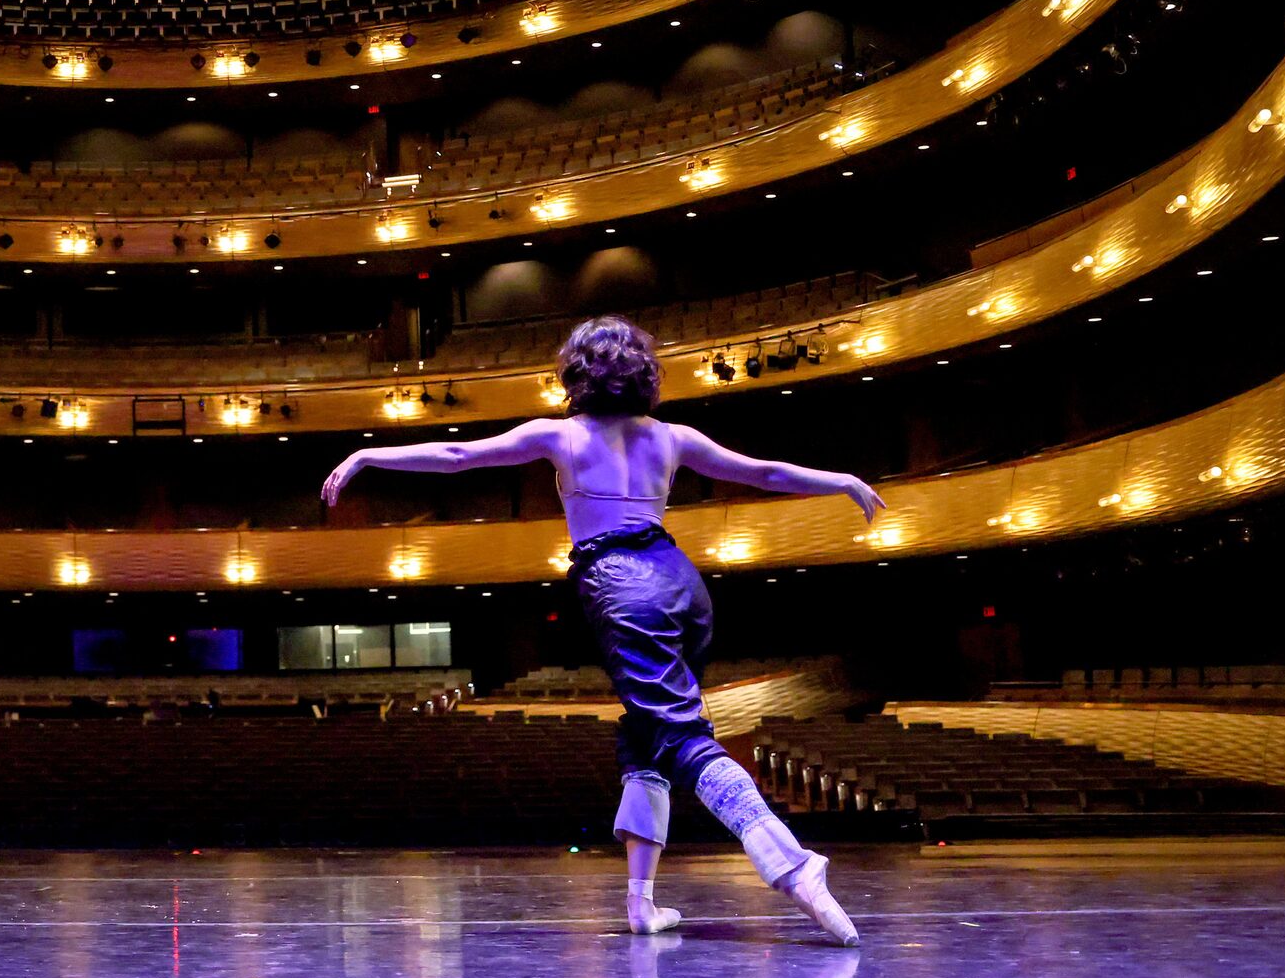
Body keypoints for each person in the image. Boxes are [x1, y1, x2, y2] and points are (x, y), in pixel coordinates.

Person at [319, 314, 878, 945]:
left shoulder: (560, 436)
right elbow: (764, 473)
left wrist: (368, 453)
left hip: (622, 584)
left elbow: (457, 456)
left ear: (576, 374)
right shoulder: (672, 437)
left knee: (677, 735)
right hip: (680, 583)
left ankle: (793, 865)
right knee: (646, 739)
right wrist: (842, 479)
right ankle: (640, 904)